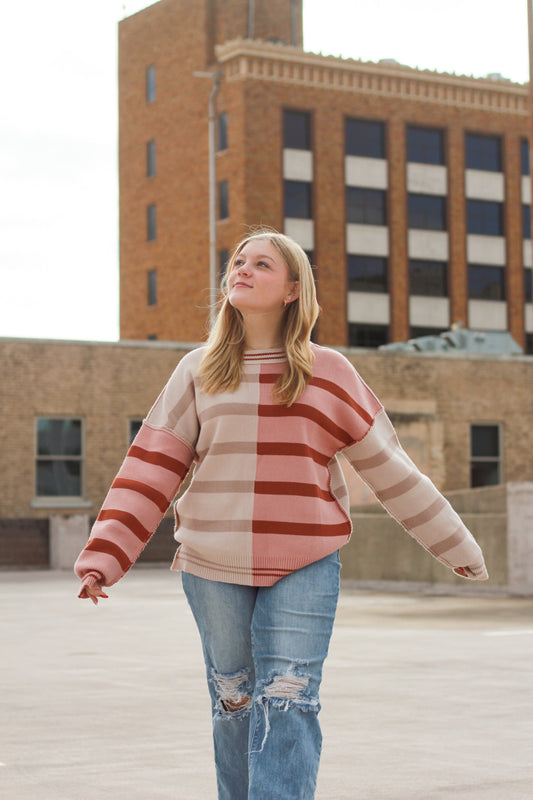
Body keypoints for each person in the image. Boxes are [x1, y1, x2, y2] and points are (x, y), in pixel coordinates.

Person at [75, 228, 488, 800]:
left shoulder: (331, 372)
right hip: (210, 564)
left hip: (306, 561)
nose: (240, 269)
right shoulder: (198, 371)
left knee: (288, 699)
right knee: (235, 701)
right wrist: (104, 555)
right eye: (237, 261)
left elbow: (392, 470)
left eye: (261, 264)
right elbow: (149, 467)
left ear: (294, 289)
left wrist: (457, 546)